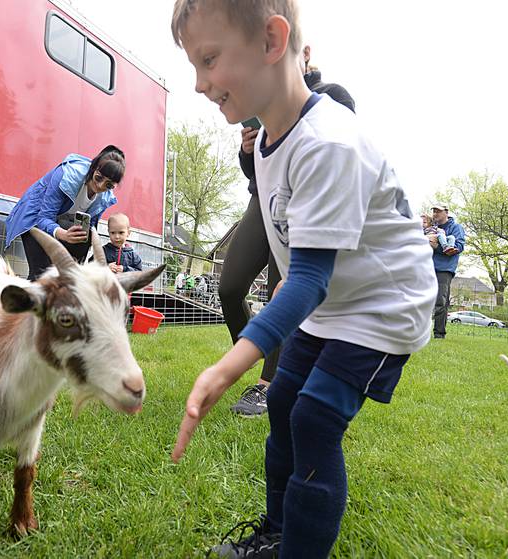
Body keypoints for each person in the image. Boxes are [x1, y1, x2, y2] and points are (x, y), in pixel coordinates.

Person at [170, 2, 437, 558]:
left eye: (210, 59)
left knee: (314, 418)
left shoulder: (328, 142)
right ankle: (276, 533)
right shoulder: (270, 139)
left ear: (272, 40)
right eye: (193, 65)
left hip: (383, 307)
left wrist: (226, 367)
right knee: (284, 401)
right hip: (334, 304)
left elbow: (310, 277)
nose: (199, 84)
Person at [221, 45, 355, 418]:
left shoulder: (332, 95)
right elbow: (252, 173)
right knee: (229, 286)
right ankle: (248, 349)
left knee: (281, 293)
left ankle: (268, 385)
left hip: (304, 206)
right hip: (262, 201)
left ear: (304, 55)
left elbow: (338, 149)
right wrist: (249, 150)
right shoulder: (261, 102)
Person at [4, 145, 125, 280]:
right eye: (98, 178)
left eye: (109, 185)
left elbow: (91, 230)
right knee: (42, 275)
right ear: (93, 168)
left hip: (65, 228)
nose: (100, 186)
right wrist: (63, 234)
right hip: (36, 220)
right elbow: (43, 218)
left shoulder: (104, 197)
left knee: (69, 277)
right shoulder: (67, 175)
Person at [430, 203, 465, 339]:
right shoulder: (432, 228)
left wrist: (437, 247)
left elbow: (459, 246)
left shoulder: (456, 228)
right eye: (434, 211)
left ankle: (439, 334)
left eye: (438, 211)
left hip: (444, 269)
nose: (435, 214)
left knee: (440, 301)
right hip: (427, 267)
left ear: (446, 212)